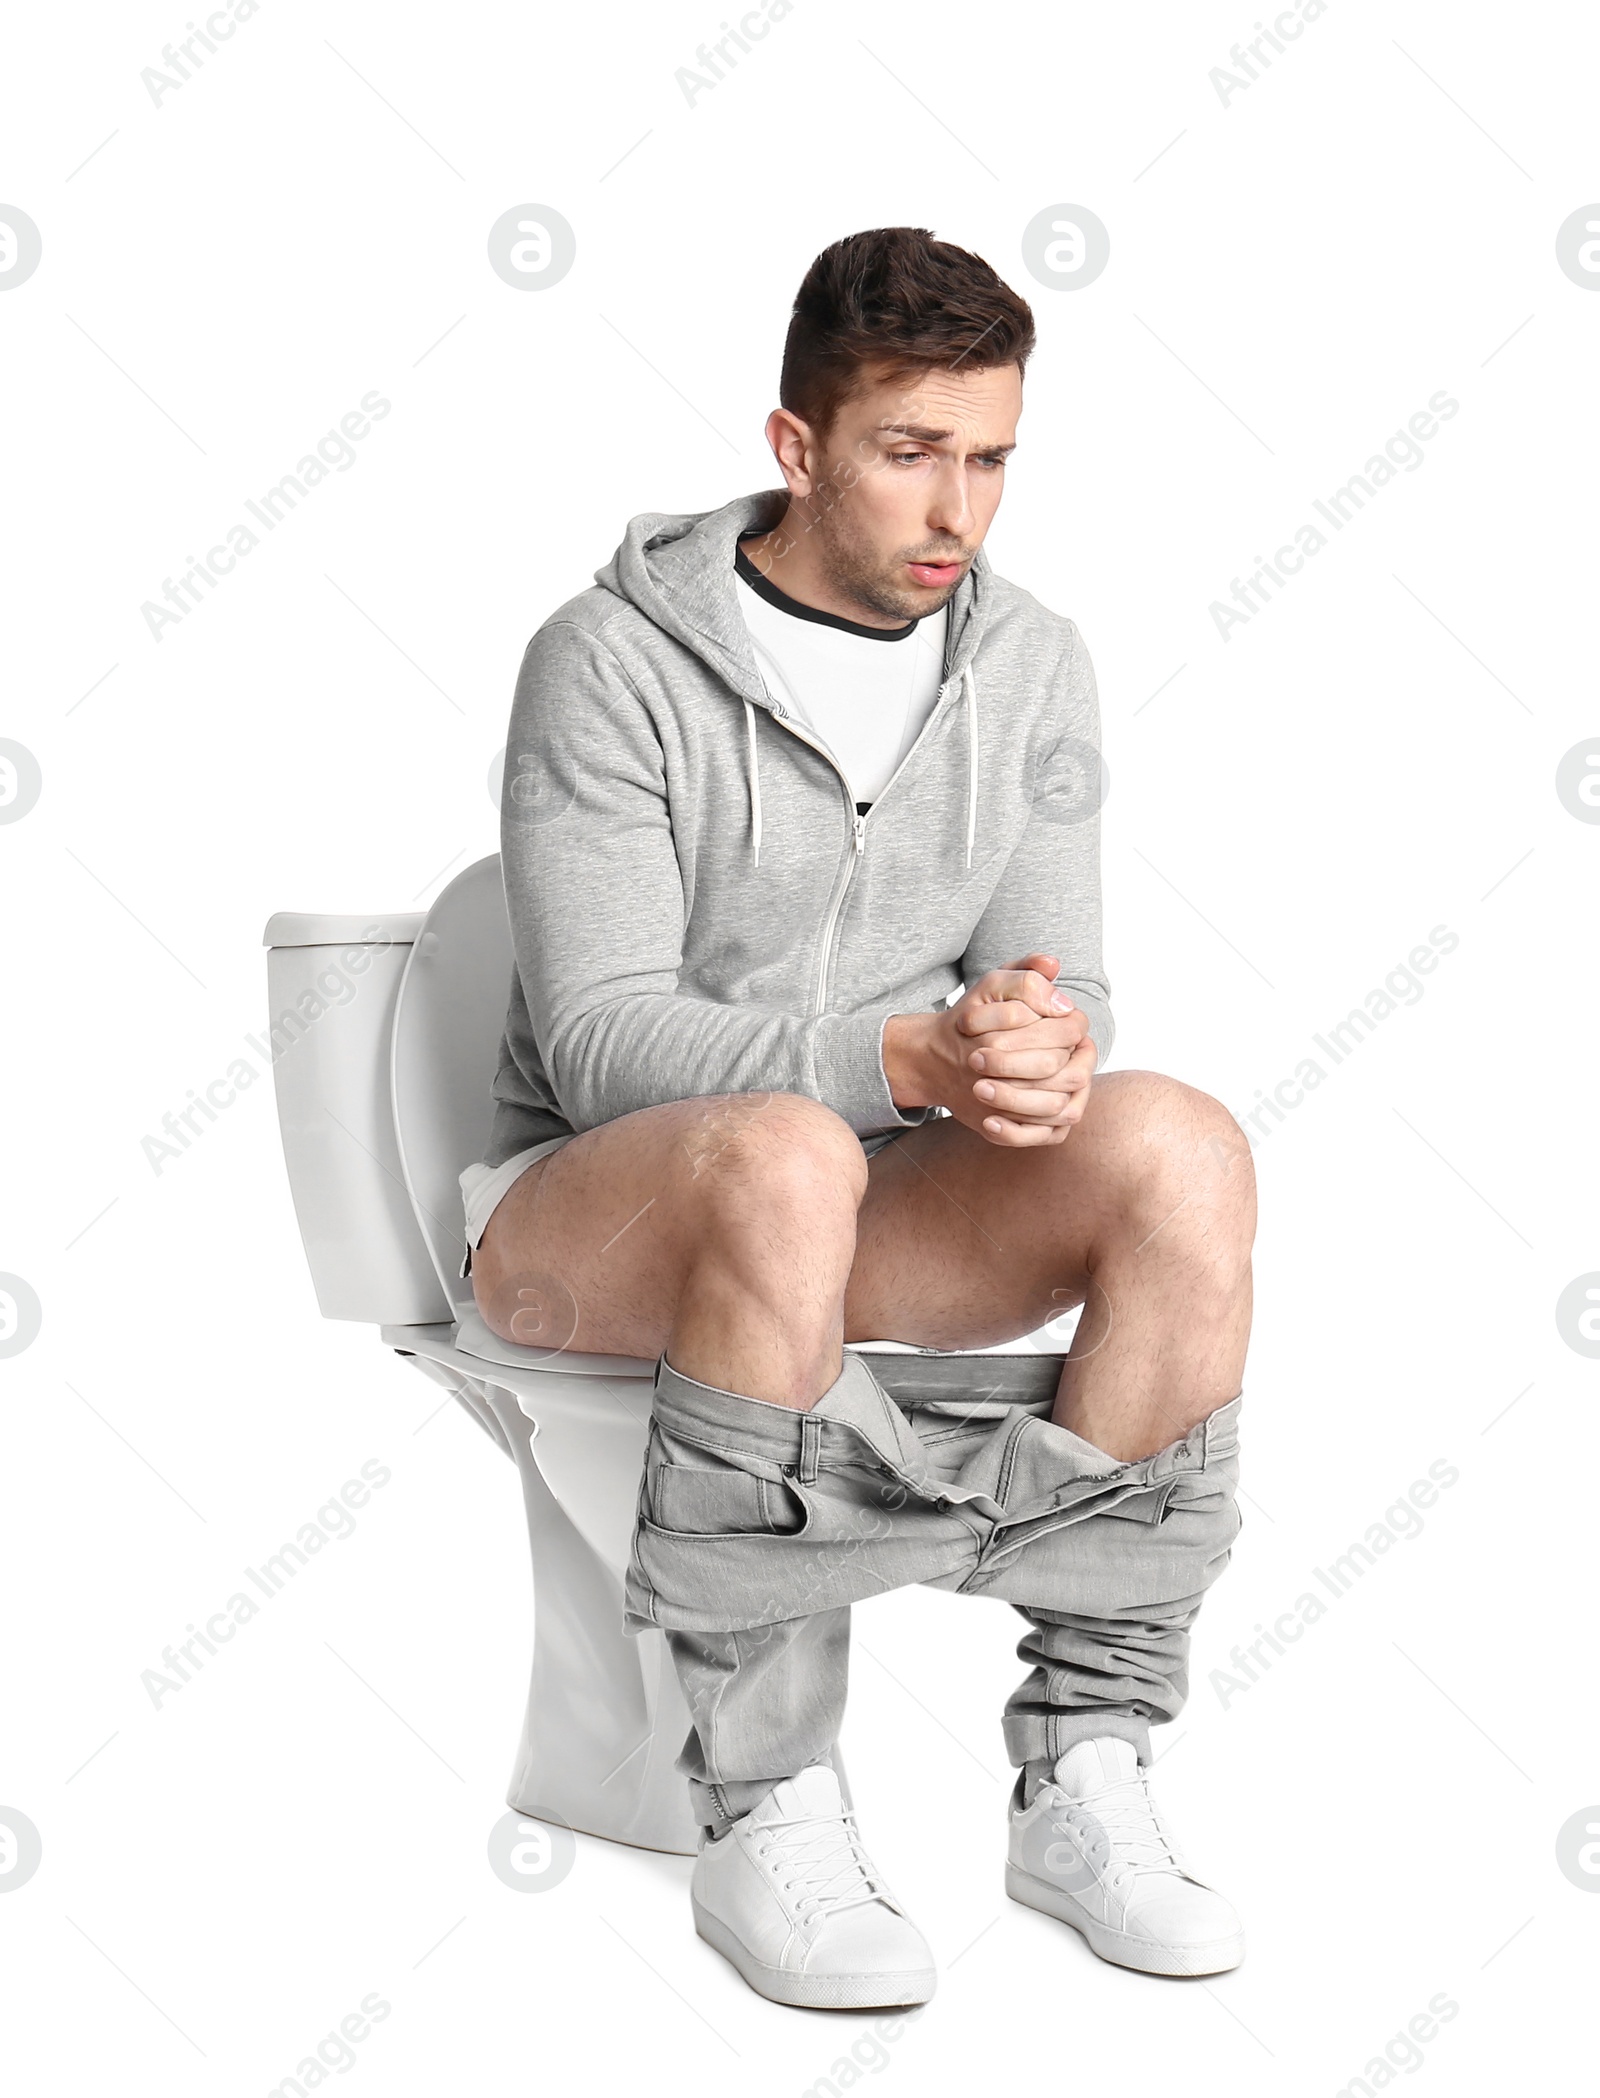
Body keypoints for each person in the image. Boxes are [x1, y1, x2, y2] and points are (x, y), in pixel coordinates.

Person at [462, 226, 1256, 2011]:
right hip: (585, 1212)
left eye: (990, 458)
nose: (956, 510)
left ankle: (1090, 1761)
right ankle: (765, 1800)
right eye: (910, 451)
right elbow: (599, 1040)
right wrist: (904, 1059)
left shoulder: (1031, 661)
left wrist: (1033, 1049)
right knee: (786, 1143)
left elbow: (1070, 981)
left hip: (859, 1203)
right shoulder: (603, 658)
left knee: (1184, 1140)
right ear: (796, 444)